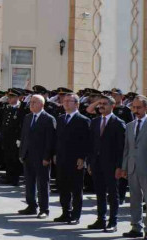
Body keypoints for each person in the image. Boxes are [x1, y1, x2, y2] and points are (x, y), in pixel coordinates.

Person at [120, 95, 147, 240]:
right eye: (134, 107)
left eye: (139, 107)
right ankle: (135, 227)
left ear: (146, 108)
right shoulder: (129, 125)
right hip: (132, 168)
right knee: (134, 199)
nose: (135, 110)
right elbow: (127, 148)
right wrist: (124, 167)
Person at [88, 95, 127, 233]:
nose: (101, 106)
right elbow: (91, 144)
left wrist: (119, 166)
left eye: (105, 104)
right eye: (100, 104)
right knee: (99, 193)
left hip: (111, 165)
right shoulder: (95, 121)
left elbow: (121, 148)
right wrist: (90, 162)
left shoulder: (118, 123)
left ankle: (113, 221)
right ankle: (101, 219)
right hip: (96, 163)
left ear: (113, 106)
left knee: (113, 194)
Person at [54, 89, 91, 225]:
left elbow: (86, 141)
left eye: (69, 101)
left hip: (76, 159)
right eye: (64, 101)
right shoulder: (61, 119)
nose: (65, 104)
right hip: (62, 158)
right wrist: (55, 154)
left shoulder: (83, 120)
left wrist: (82, 157)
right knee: (63, 187)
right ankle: (66, 212)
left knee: (76, 188)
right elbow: (57, 139)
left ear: (77, 104)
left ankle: (76, 215)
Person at [18, 94, 56, 219]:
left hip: (41, 157)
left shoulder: (48, 119)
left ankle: (44, 209)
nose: (31, 104)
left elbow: (50, 140)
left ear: (41, 104)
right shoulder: (28, 117)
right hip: (28, 155)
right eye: (31, 102)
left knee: (42, 184)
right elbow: (24, 137)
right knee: (29, 182)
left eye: (34, 102)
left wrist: (47, 157)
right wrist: (22, 153)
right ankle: (31, 206)